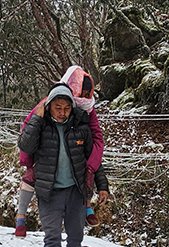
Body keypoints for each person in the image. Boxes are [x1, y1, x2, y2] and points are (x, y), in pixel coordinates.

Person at [18, 82, 110, 247]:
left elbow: (93, 160)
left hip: (76, 191)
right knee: (52, 236)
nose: (62, 112)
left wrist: (102, 186)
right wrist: (36, 118)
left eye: (66, 108)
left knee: (76, 234)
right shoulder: (41, 126)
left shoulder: (80, 127)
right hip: (48, 191)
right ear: (49, 106)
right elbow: (25, 146)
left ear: (72, 108)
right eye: (57, 107)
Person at [15, 65, 104, 237]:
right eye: (81, 93)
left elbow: (96, 137)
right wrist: (27, 160)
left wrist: (92, 163)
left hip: (75, 155)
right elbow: (28, 127)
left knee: (84, 171)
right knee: (31, 177)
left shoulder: (88, 109)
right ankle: (21, 216)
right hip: (46, 157)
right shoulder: (51, 103)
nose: (84, 98)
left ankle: (87, 207)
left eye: (88, 94)